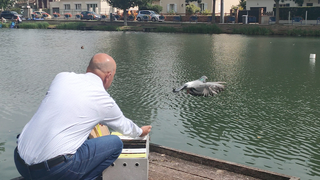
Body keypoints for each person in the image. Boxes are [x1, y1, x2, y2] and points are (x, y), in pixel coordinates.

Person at [14, 53, 152, 180]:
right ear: (108, 76)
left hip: (20, 163)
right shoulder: (104, 100)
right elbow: (126, 127)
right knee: (115, 143)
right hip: (53, 171)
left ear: (88, 68)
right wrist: (141, 131)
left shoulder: (62, 77)